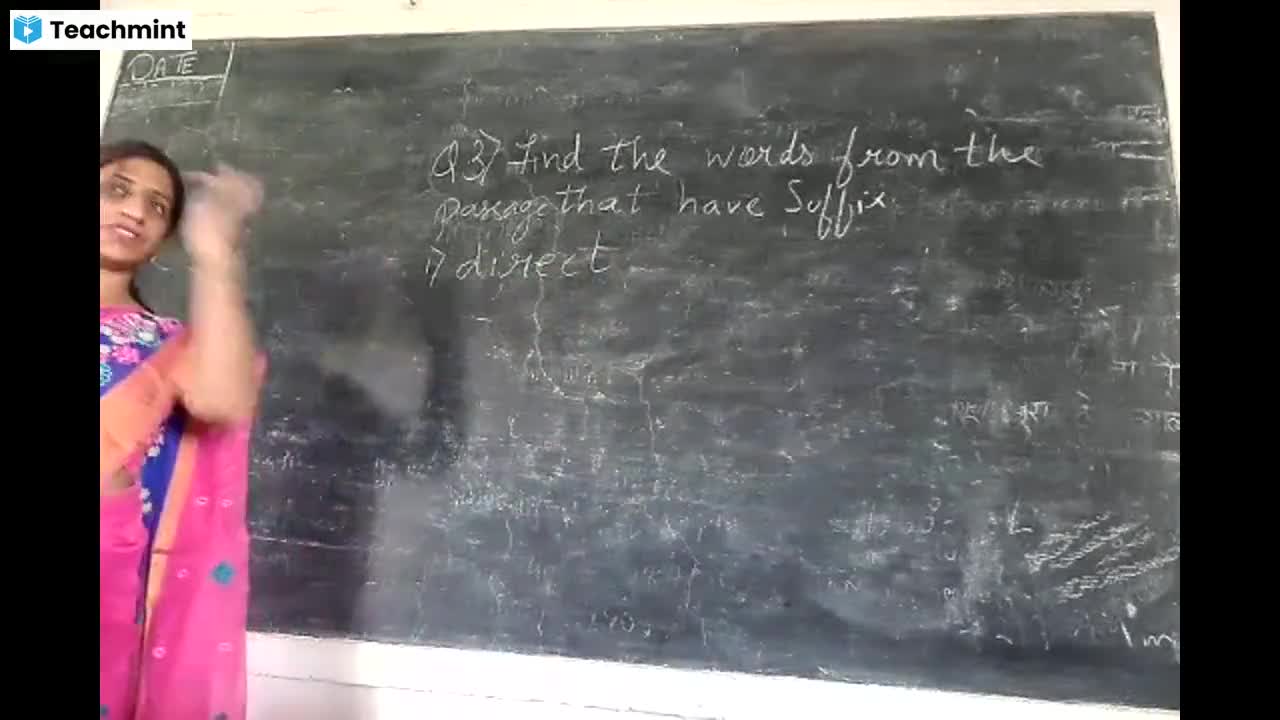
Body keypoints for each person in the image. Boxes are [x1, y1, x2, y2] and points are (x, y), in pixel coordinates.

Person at [100, 139, 266, 720]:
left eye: (158, 206)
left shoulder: (163, 342)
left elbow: (223, 399)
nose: (136, 211)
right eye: (116, 189)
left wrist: (216, 253)